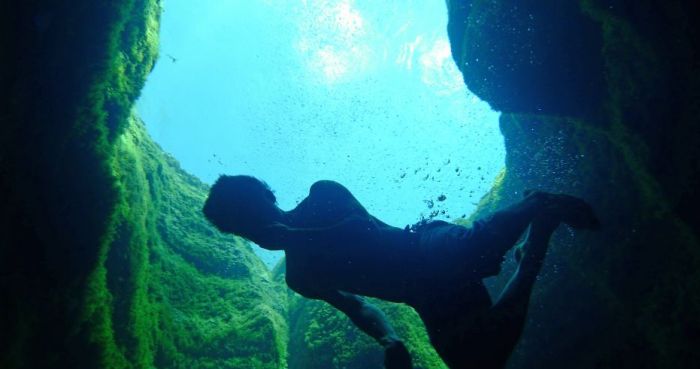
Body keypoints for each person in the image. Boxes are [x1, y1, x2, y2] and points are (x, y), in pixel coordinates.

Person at [202, 175, 599, 369]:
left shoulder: (321, 195)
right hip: (427, 298)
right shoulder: (300, 279)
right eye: (241, 226)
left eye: (248, 215)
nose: (252, 228)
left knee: (475, 252)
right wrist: (389, 338)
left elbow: (362, 230)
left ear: (266, 197)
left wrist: (293, 236)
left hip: (422, 246)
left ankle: (537, 202)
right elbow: (356, 307)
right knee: (477, 364)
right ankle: (536, 245)